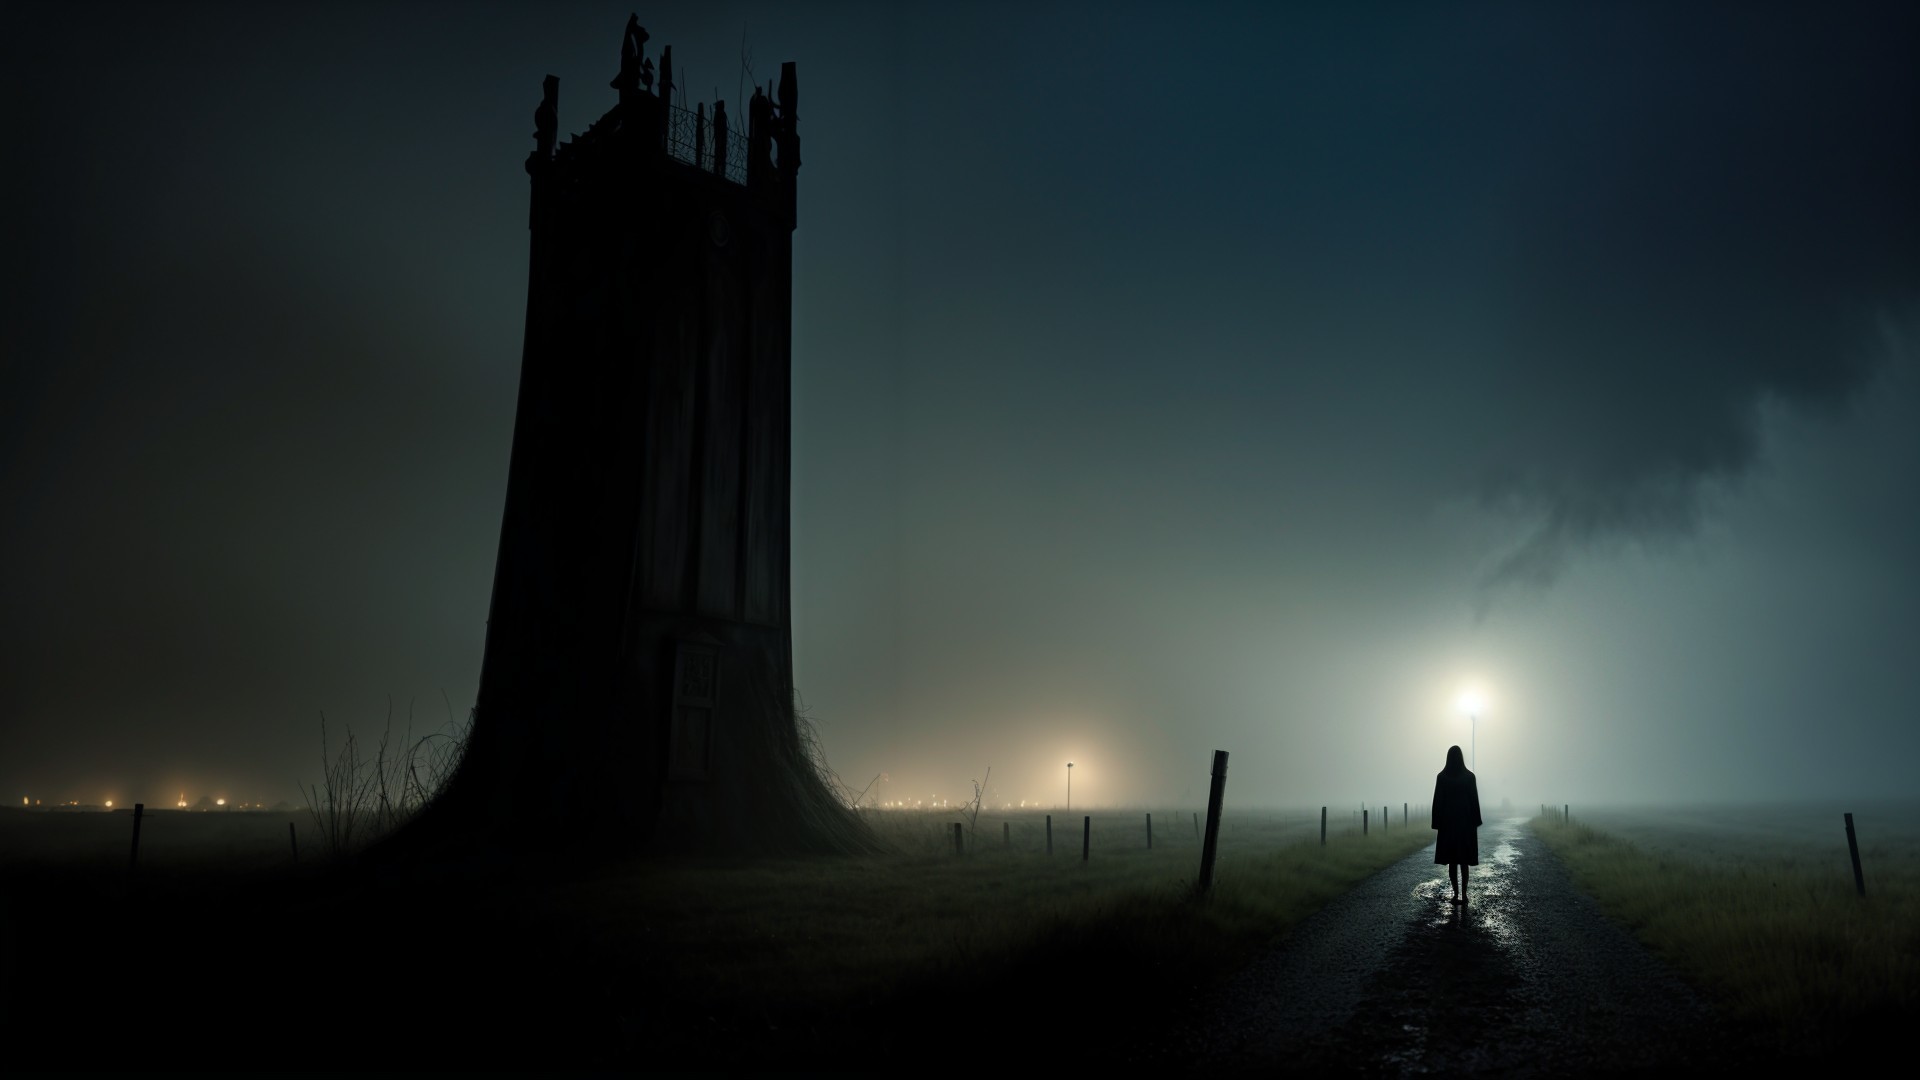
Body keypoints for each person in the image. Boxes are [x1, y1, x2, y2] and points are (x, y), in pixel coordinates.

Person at [1430, 744, 1482, 905]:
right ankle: (1464, 895)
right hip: (1465, 824)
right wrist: (1476, 820)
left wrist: (1436, 822)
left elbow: (1437, 801)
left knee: (1452, 861)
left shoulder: (1442, 777)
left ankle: (1455, 894)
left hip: (1448, 824)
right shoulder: (1469, 777)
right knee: (1464, 861)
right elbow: (1474, 801)